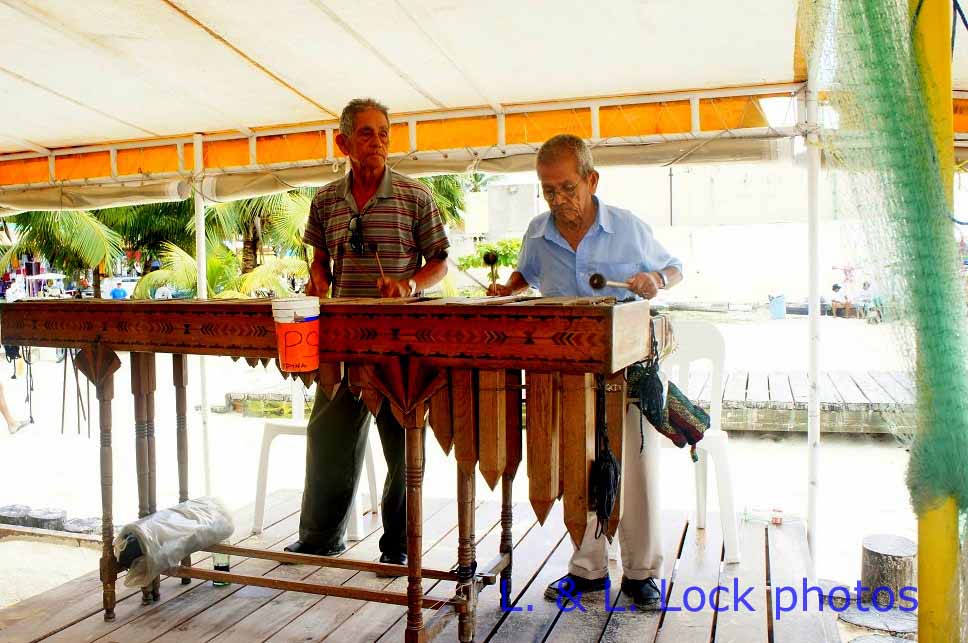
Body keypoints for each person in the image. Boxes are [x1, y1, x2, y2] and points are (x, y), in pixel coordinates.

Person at [488, 134, 682, 609]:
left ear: (591, 180)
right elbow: (526, 276)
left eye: (567, 188)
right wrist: (508, 289)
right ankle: (588, 568)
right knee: (579, 467)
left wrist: (654, 280)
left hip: (627, 370)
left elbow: (674, 268)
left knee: (634, 471)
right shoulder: (538, 233)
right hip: (568, 375)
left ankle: (639, 573)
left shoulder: (627, 228)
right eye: (548, 190)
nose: (558, 200)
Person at [287, 98, 449, 568]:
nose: (377, 141)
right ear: (343, 142)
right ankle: (320, 538)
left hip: (397, 343)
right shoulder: (324, 201)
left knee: (402, 449)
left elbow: (439, 259)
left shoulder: (416, 197)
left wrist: (409, 285)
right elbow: (318, 256)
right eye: (365, 133)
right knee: (327, 442)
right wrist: (318, 277)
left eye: (383, 133)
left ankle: (398, 546)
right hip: (340, 341)